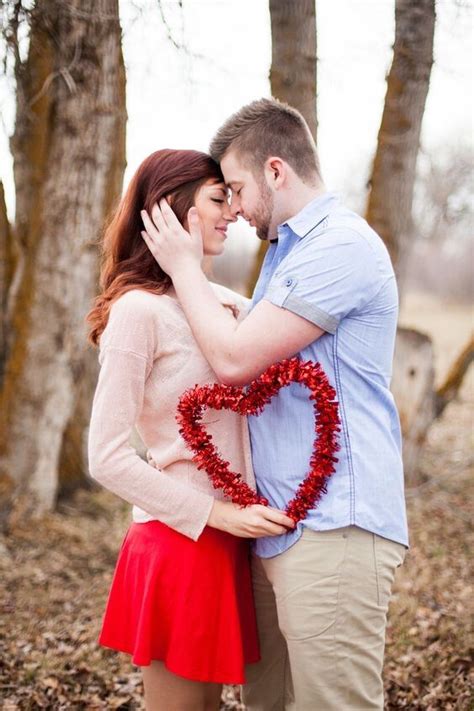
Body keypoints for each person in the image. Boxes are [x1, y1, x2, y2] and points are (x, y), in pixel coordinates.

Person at [140, 99, 409, 710]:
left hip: (336, 521)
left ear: (277, 171)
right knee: (268, 704)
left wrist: (182, 268)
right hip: (278, 525)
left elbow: (237, 360)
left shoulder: (339, 247)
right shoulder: (285, 253)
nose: (233, 207)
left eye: (236, 187)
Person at [86, 148, 294, 711]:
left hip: (235, 543)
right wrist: (219, 514)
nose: (231, 212)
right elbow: (104, 456)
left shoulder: (227, 305)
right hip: (179, 541)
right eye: (217, 198)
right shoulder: (138, 312)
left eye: (231, 197)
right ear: (173, 210)